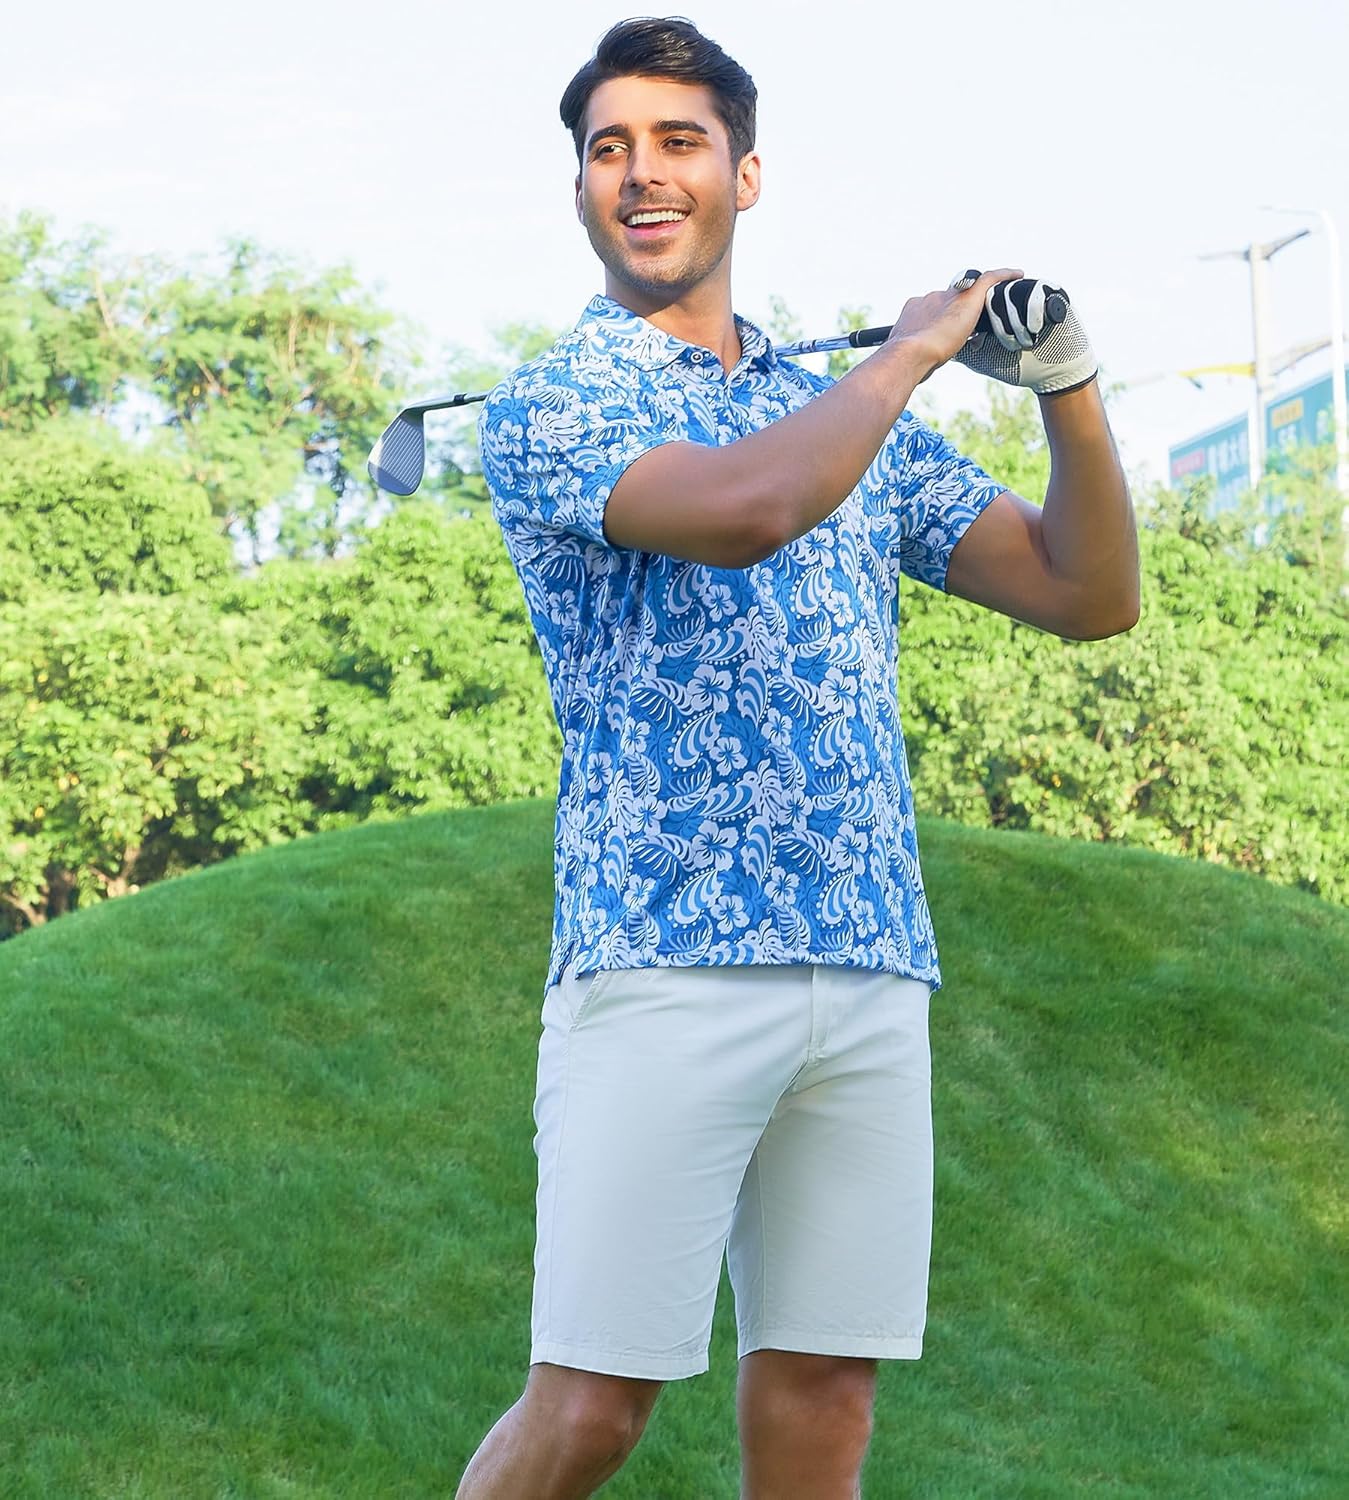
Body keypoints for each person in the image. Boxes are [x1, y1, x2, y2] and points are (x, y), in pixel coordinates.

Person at [459, 17, 1138, 1499]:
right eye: (609, 149)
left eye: (679, 142)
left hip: (869, 956)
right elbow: (745, 509)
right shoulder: (555, 400)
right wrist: (907, 357)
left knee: (827, 1399)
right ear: (581, 191)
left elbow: (1086, 593)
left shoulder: (834, 410)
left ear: (745, 175)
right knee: (592, 1408)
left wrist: (1066, 386)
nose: (642, 173)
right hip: (663, 958)